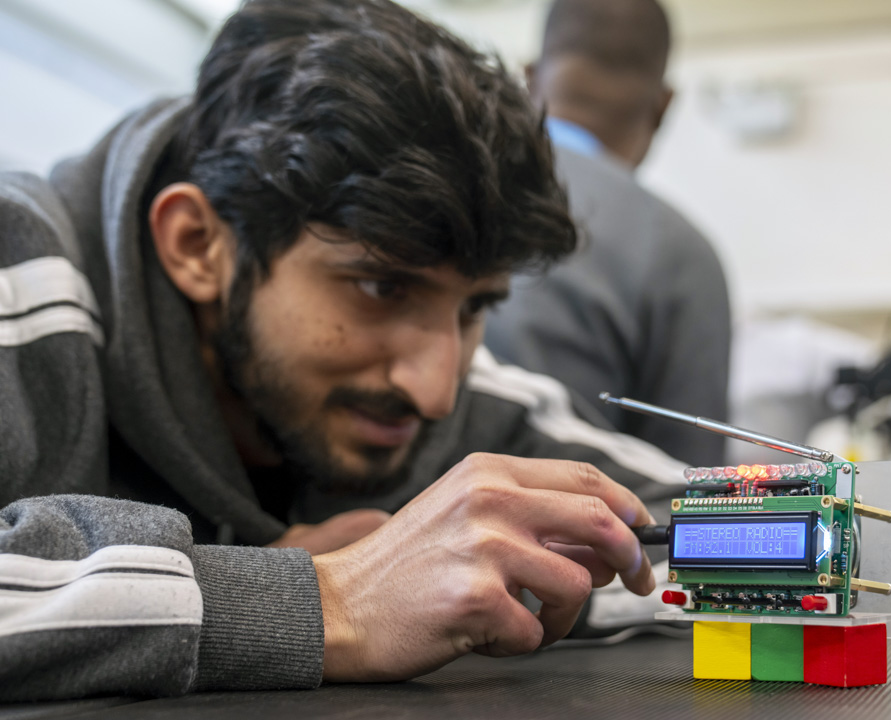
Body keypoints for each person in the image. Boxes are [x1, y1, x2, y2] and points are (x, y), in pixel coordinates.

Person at [0, 0, 687, 701]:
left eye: (475, 306)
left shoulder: (447, 392)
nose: (437, 390)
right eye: (381, 287)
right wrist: (329, 599)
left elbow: (694, 515)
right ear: (198, 245)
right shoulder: (15, 290)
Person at [484, 0, 732, 468]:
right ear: (662, 106)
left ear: (528, 78)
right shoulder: (676, 253)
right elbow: (695, 498)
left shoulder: (445, 189)